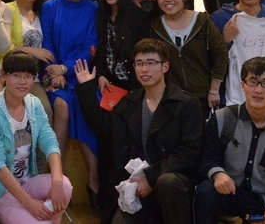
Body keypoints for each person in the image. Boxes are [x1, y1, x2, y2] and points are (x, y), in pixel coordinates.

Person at [74, 39, 204, 224]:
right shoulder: (129, 102)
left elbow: (190, 152)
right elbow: (102, 126)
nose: (144, 69)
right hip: (135, 186)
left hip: (169, 183)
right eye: (139, 64)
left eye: (151, 63)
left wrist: (151, 178)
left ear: (165, 67)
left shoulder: (186, 104)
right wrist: (87, 87)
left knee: (168, 182)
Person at [194, 57, 265, 224]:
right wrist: (218, 174)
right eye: (252, 82)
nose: (258, 90)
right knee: (205, 192)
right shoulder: (222, 118)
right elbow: (206, 159)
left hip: (261, 200)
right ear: (243, 85)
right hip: (225, 191)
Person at [0, 50, 73, 224]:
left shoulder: (33, 103)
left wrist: (57, 182)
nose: (23, 82)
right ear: (4, 75)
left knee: (65, 186)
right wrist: (29, 204)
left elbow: (50, 142)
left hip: (28, 183)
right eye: (16, 75)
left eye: (28, 76)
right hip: (2, 192)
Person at [40, 0, 100, 204]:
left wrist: (65, 69)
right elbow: (47, 42)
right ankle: (57, 177)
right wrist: (55, 71)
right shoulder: (49, 7)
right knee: (62, 105)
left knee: (89, 106)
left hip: (82, 74)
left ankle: (94, 182)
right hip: (52, 73)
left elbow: (91, 46)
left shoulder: (94, 8)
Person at [151, 0, 229, 112]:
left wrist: (214, 90)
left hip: (203, 97)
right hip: (170, 99)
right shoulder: (155, 27)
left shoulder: (202, 21)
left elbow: (221, 56)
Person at [6, 0, 54, 121]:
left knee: (45, 114)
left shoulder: (42, 12)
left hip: (34, 78)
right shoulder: (7, 9)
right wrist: (32, 51)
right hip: (11, 76)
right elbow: (2, 47)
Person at [95, 0, 149, 93]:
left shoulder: (138, 17)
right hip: (109, 83)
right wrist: (100, 75)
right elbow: (101, 51)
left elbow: (144, 55)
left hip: (134, 86)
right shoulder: (102, 15)